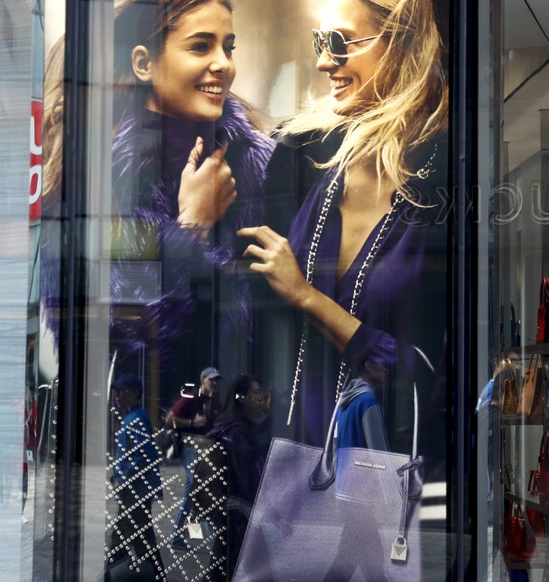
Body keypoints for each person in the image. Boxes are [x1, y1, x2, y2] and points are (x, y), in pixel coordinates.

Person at [239, 0, 449, 465]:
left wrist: (307, 297)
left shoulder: (443, 180)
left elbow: (424, 372)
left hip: (378, 472)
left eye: (339, 42)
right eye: (319, 42)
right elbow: (244, 318)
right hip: (284, 464)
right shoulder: (302, 157)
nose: (321, 61)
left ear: (401, 45)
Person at [108, 0, 275, 386]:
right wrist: (190, 228)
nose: (224, 64)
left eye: (228, 47)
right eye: (201, 46)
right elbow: (120, 354)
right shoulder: (105, 175)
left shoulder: (260, 165)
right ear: (143, 63)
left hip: (240, 427)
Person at [199, 372, 269, 581]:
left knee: (224, 569)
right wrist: (271, 511)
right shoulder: (237, 432)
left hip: (234, 513)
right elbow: (249, 477)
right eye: (255, 393)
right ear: (241, 398)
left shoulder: (235, 427)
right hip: (240, 515)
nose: (260, 397)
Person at [105, 373, 166, 581]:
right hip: (134, 490)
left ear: (135, 393)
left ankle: (110, 573)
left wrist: (122, 480)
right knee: (135, 538)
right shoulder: (133, 417)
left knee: (129, 539)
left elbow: (144, 455)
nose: (117, 396)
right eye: (116, 392)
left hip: (135, 490)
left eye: (121, 392)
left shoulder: (137, 419)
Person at [165, 366, 223, 550]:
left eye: (217, 380)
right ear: (202, 380)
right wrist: (192, 422)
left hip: (207, 451)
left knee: (193, 493)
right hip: (191, 449)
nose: (214, 383)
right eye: (211, 379)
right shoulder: (191, 398)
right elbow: (169, 419)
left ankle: (189, 535)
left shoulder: (216, 403)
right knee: (199, 490)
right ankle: (209, 536)